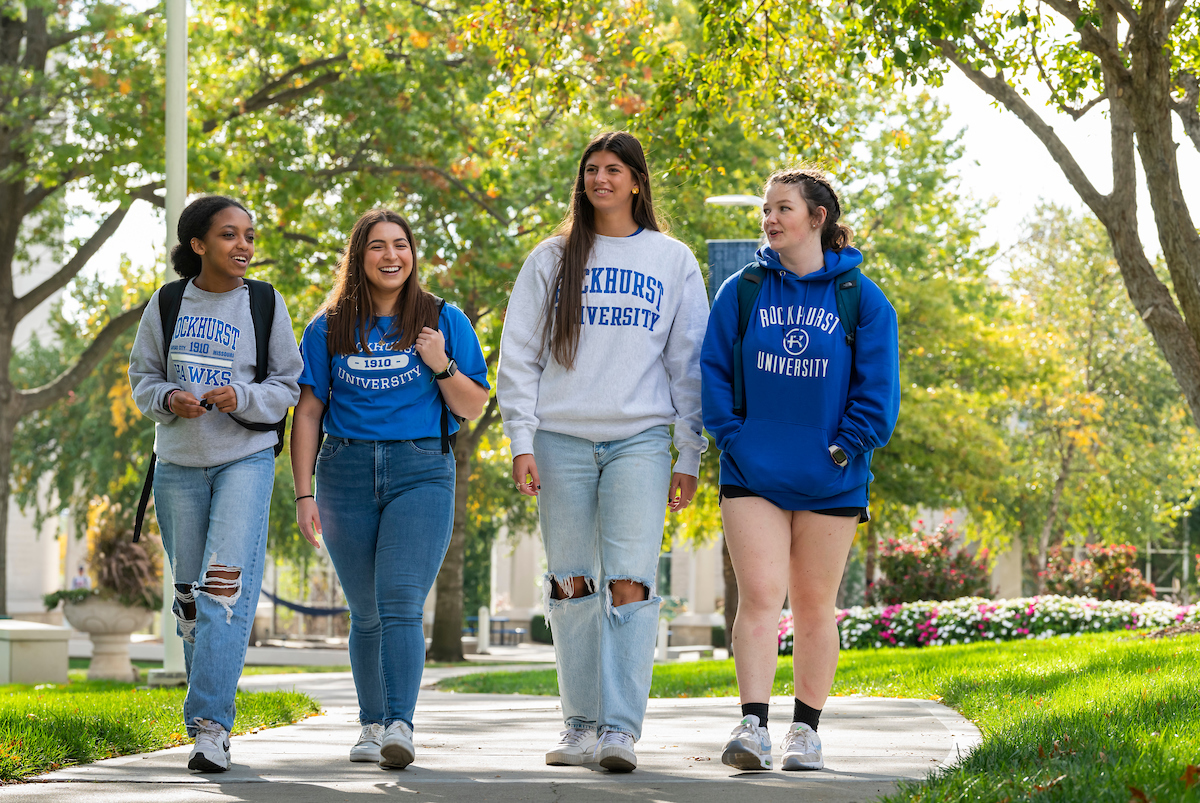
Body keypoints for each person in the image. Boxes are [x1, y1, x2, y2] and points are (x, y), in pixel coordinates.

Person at [497, 131, 709, 772]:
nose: (600, 179)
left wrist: (688, 453)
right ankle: (580, 723)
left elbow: (689, 367)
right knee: (571, 582)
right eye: (591, 169)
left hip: (640, 440)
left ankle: (619, 730)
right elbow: (520, 354)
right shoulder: (551, 257)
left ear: (637, 182)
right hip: (560, 438)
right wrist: (521, 441)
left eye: (614, 169)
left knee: (630, 582)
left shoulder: (672, 259)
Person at [701, 167, 899, 772]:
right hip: (752, 472)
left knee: (814, 603)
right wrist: (734, 436)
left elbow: (878, 391)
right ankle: (752, 726)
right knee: (760, 596)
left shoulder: (861, 298)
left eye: (783, 207)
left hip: (831, 475)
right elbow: (712, 371)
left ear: (818, 217)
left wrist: (846, 447)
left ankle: (805, 733)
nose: (770, 218)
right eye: (766, 208)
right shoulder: (743, 289)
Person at [290, 209, 489, 770]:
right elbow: (308, 412)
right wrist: (303, 493)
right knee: (366, 612)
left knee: (400, 600)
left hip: (421, 468)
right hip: (344, 470)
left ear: (413, 254)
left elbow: (472, 406)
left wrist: (440, 363)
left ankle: (400, 723)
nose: (390, 256)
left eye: (400, 244)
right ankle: (371, 726)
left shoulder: (443, 319)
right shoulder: (327, 327)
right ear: (360, 256)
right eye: (377, 246)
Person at [129, 195, 303, 772]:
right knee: (191, 600)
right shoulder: (169, 301)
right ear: (198, 244)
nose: (244, 247)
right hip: (178, 465)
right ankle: (208, 715)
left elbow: (289, 384)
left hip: (245, 460)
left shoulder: (265, 302)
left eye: (249, 236)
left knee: (222, 589)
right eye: (230, 236)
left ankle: (209, 727)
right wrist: (168, 399)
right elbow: (142, 379)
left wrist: (244, 397)